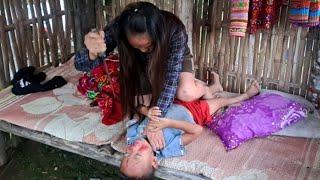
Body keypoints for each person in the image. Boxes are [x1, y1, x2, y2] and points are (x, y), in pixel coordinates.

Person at [75, 2, 222, 151]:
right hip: (140, 64)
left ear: (157, 33)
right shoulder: (119, 27)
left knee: (185, 93)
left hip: (174, 59)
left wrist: (155, 123)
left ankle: (204, 88)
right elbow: (80, 65)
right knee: (142, 103)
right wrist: (91, 53)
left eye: (148, 45)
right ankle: (202, 85)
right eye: (137, 46)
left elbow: (170, 81)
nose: (144, 50)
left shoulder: (174, 29)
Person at [119, 80, 260, 179]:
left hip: (171, 100)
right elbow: (197, 130)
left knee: (191, 89)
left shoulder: (132, 136)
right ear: (154, 162)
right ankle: (246, 95)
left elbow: (136, 108)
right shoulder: (167, 149)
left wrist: (147, 112)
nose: (133, 149)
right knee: (219, 102)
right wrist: (168, 123)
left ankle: (215, 87)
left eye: (126, 154)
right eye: (137, 156)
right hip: (194, 113)